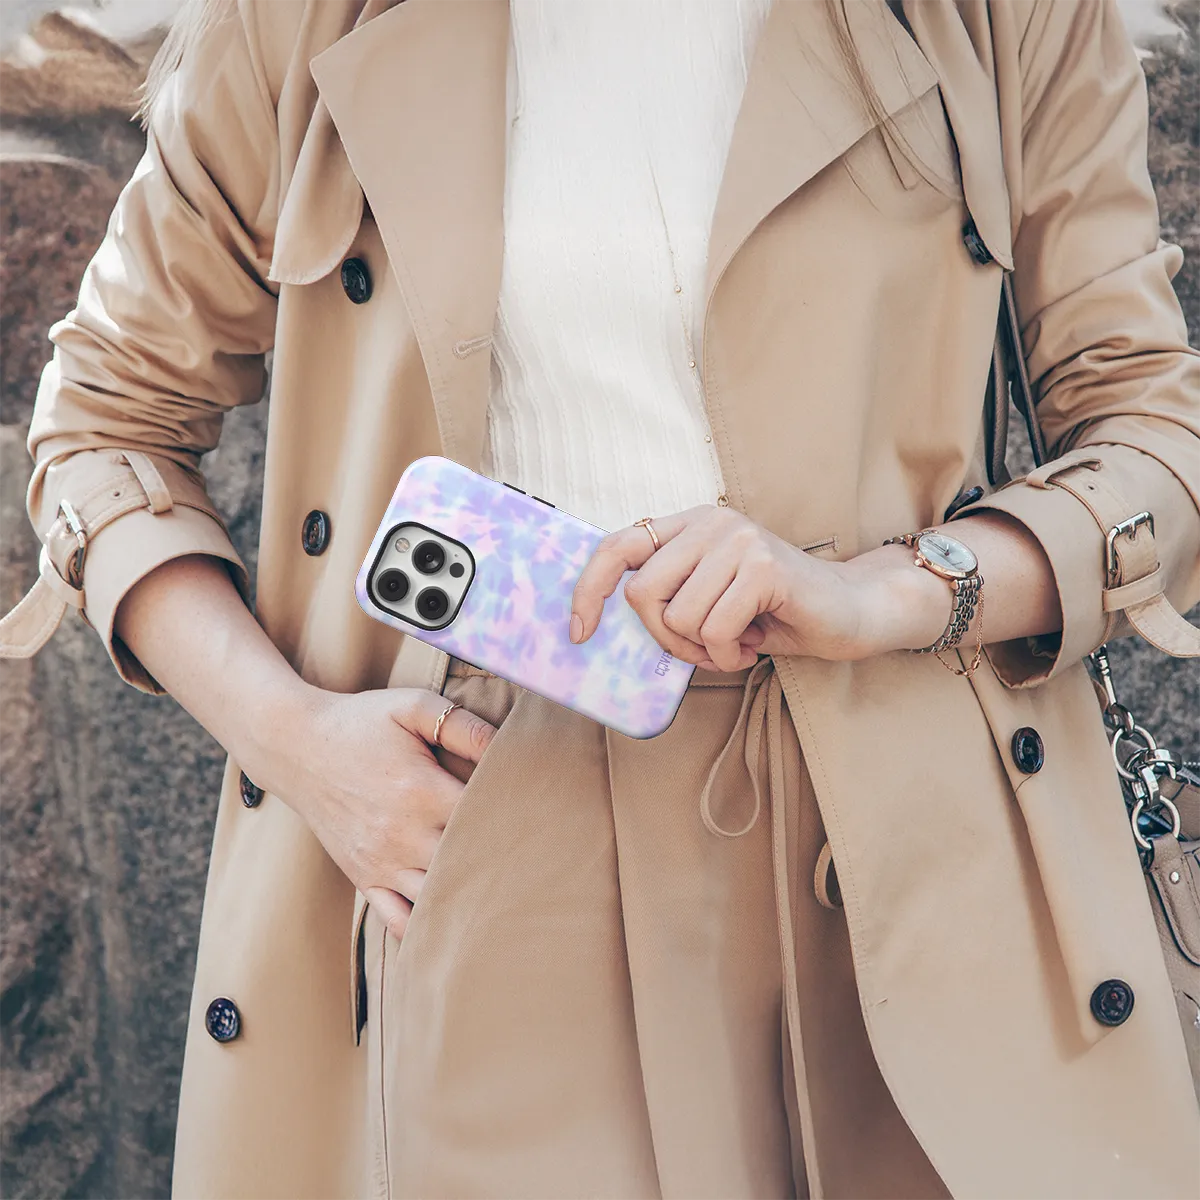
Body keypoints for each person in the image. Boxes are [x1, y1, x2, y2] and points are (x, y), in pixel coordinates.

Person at [4, 0, 1200, 1194]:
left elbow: (1154, 426)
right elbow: (105, 425)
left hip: (908, 842)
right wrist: (302, 747)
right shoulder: (295, 21)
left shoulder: (1008, 16)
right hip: (474, 824)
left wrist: (889, 592)